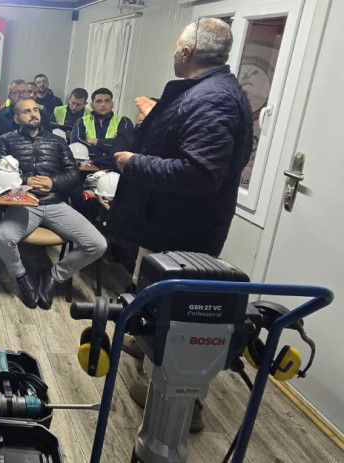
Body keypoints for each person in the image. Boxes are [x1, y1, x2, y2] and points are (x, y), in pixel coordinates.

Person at [110, 18, 254, 432]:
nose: (175, 52)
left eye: (177, 46)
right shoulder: (208, 90)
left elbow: (201, 172)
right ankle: (146, 346)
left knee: (182, 314)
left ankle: (182, 402)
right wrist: (158, 118)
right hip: (166, 223)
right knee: (154, 294)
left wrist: (134, 163)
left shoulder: (213, 99)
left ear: (187, 52)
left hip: (186, 232)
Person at [0, 98, 106, 309]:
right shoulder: (6, 140)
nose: (33, 114)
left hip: (55, 204)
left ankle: (53, 275)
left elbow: (73, 173)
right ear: (16, 118)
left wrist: (52, 182)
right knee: (3, 238)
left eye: (35, 110)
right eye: (26, 111)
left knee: (98, 244)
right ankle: (22, 276)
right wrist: (26, 180)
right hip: (24, 204)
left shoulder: (57, 142)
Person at [71, 88, 135, 171]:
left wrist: (98, 142)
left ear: (112, 104)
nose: (103, 105)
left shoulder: (124, 121)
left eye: (107, 101)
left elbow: (124, 147)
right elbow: (77, 144)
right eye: (99, 101)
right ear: (91, 105)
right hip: (86, 169)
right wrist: (107, 152)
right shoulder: (82, 121)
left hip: (113, 170)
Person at [0, 79, 51, 155]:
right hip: (6, 157)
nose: (21, 95)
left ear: (28, 94)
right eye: (16, 93)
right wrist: (4, 149)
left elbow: (50, 143)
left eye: (24, 92)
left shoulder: (41, 115)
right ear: (9, 96)